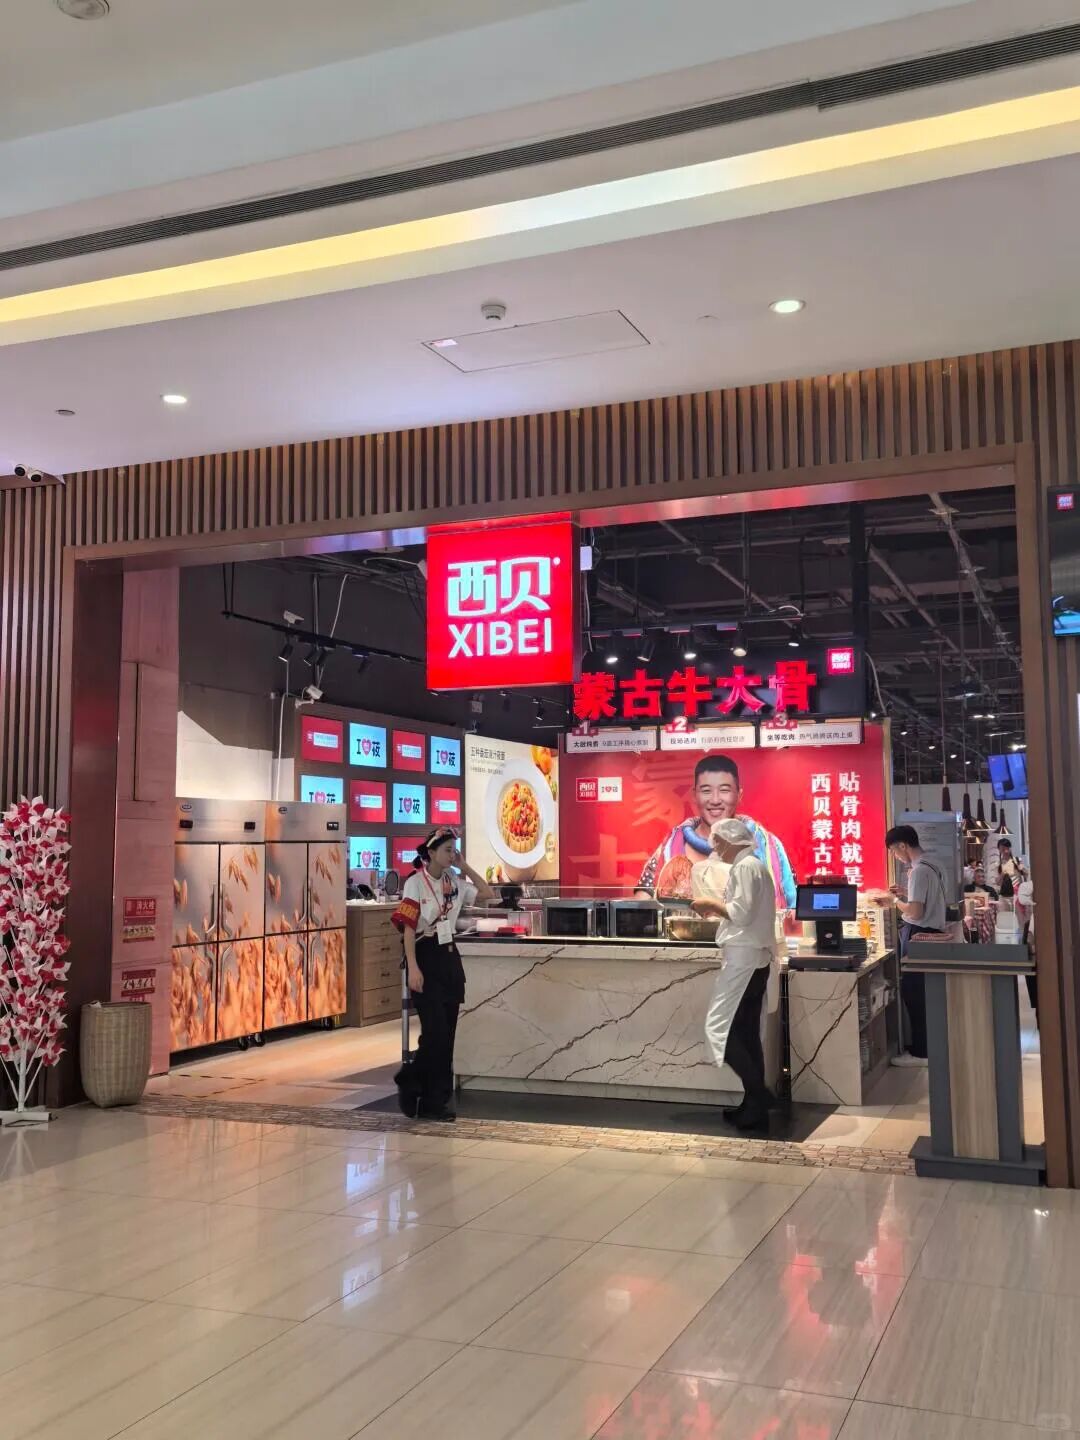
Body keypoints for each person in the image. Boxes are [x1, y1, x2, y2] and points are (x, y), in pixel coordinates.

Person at [391, 827, 495, 1121]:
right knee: (435, 1033)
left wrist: (465, 866)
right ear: (431, 852)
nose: (451, 855)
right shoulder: (415, 883)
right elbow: (408, 930)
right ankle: (413, 1081)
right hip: (425, 958)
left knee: (446, 1036)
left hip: (449, 960)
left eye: (454, 850)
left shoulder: (454, 882)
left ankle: (433, 1099)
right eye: (447, 850)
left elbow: (487, 894)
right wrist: (413, 967)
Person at [692, 817, 777, 1130]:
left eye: (716, 840)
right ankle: (753, 1104)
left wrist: (709, 903)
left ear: (728, 840)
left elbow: (740, 914)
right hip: (756, 959)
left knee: (721, 1030)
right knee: (746, 1032)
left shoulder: (744, 867)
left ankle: (760, 1095)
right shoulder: (756, 866)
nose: (714, 847)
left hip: (743, 959)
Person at [636, 753, 796, 909]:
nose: (715, 800)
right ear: (694, 795)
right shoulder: (670, 846)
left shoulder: (769, 847)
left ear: (739, 794)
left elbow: (794, 909)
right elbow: (641, 904)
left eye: (724, 790)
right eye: (706, 791)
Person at [885, 823, 948, 1065]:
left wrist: (893, 901)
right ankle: (928, 1047)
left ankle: (921, 1052)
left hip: (919, 935)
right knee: (925, 993)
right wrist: (904, 893)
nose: (895, 856)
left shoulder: (919, 871)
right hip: (932, 934)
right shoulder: (933, 864)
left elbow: (916, 912)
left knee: (915, 994)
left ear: (903, 845)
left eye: (894, 850)